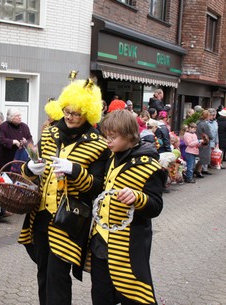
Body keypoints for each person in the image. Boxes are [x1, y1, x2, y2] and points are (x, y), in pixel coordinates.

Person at [20, 79, 111, 305]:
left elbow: (98, 186)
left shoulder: (98, 144)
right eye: (66, 111)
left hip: (69, 218)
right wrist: (30, 169)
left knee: (58, 275)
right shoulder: (50, 133)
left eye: (76, 113)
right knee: (43, 272)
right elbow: (34, 166)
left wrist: (75, 171)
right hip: (41, 216)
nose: (69, 117)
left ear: (88, 113)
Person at [90, 109, 165, 305]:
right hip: (100, 242)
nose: (108, 141)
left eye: (113, 137)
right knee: (100, 297)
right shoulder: (112, 157)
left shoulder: (149, 166)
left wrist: (137, 198)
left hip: (128, 246)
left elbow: (156, 206)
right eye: (107, 136)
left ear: (130, 136)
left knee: (135, 296)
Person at [194, 110, 213, 178]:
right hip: (204, 142)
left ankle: (196, 170)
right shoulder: (204, 124)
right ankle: (198, 171)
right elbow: (209, 133)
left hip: (198, 140)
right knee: (202, 157)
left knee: (199, 156)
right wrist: (211, 137)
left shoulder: (197, 122)